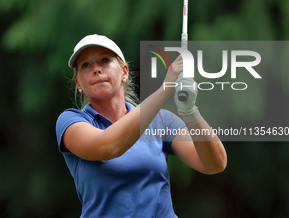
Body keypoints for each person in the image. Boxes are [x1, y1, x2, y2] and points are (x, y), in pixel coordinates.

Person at [56, 34, 227, 218]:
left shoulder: (160, 121)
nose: (96, 69)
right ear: (78, 83)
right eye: (86, 65)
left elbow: (214, 164)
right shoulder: (71, 121)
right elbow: (108, 146)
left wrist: (190, 111)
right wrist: (165, 90)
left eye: (105, 60)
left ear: (124, 72)